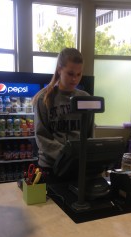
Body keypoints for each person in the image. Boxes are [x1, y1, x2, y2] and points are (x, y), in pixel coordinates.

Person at [32, 47, 94, 182]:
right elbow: (41, 136)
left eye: (79, 74)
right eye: (70, 74)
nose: (75, 79)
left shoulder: (86, 98)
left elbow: (89, 134)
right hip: (51, 166)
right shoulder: (44, 98)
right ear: (59, 69)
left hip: (77, 165)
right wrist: (68, 153)